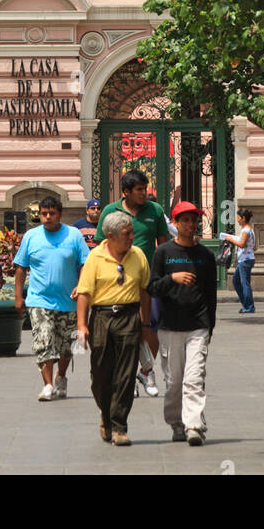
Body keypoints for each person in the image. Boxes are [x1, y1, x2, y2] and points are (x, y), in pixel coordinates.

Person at [76, 211, 151, 446]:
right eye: (127, 234)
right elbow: (84, 293)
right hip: (102, 317)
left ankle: (119, 426)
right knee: (100, 373)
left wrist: (145, 323)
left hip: (129, 316)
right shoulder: (95, 258)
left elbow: (145, 290)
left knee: (126, 374)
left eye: (132, 233)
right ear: (110, 235)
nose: (132, 237)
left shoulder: (138, 255)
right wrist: (82, 325)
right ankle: (105, 413)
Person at [95, 169, 169, 396]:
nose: (144, 194)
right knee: (122, 329)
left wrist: (164, 278)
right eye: (139, 190)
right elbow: (100, 246)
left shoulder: (154, 211)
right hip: (118, 281)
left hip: (148, 280)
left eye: (145, 189)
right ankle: (124, 376)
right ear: (126, 192)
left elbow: (163, 245)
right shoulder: (110, 211)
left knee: (151, 327)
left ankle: (146, 371)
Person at [150, 201, 217, 445]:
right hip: (169, 326)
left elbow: (211, 294)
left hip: (198, 325)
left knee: (194, 378)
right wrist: (172, 278)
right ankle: (176, 423)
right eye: (185, 220)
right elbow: (152, 287)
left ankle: (194, 426)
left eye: (194, 219)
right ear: (175, 224)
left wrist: (211, 326)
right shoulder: (163, 253)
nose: (191, 224)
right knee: (173, 382)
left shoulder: (205, 255)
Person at [13, 194, 89, 402]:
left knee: (66, 346)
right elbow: (20, 267)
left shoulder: (73, 235)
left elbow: (85, 263)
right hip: (39, 299)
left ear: (59, 215)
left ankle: (61, 377)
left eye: (51, 214)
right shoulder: (31, 236)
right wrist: (18, 296)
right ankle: (47, 385)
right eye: (44, 214)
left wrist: (81, 286)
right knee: (43, 340)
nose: (47, 217)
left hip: (68, 301)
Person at [222, 207, 256, 313]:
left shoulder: (246, 231)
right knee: (236, 281)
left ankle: (249, 306)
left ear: (243, 218)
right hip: (246, 259)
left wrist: (230, 239)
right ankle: (246, 304)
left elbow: (242, 244)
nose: (237, 220)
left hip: (245, 260)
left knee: (244, 283)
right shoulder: (248, 230)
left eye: (238, 218)